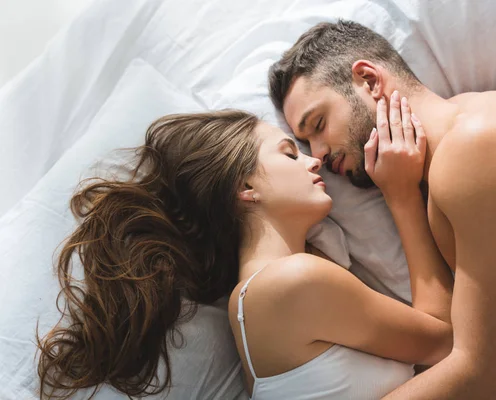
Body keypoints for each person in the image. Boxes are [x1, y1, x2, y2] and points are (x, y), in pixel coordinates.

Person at [269, 19, 496, 399]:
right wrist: (401, 197)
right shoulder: (463, 140)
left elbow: (481, 377)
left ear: (370, 81)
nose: (319, 154)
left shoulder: (477, 147)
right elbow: (450, 338)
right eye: (305, 141)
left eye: (319, 124)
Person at [37, 108, 454, 399]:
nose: (314, 161)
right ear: (245, 189)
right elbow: (450, 342)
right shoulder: (292, 284)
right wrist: (401, 196)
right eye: (290, 153)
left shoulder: (274, 289)